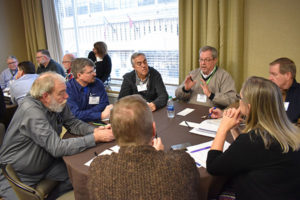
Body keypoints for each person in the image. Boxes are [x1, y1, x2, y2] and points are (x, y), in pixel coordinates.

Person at [0, 72, 114, 200]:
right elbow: (57, 148)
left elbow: (72, 123)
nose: (66, 96)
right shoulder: (31, 111)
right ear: (45, 96)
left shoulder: (57, 101)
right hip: (19, 174)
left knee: (79, 177)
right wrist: (95, 138)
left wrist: (95, 130)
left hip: (46, 164)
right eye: (61, 93)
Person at [87, 94, 201, 200]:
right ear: (154, 130)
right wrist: (159, 156)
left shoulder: (98, 168)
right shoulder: (181, 163)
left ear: (114, 133)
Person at [206, 76, 300, 200]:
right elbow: (251, 154)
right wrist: (234, 128)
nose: (238, 101)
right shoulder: (291, 131)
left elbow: (213, 166)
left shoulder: (254, 140)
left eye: (240, 98)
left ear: (249, 107)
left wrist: (223, 128)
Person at [66, 58, 112, 122]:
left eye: (94, 70)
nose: (95, 74)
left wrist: (84, 113)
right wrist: (99, 115)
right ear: (79, 75)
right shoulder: (68, 88)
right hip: (78, 124)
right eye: (90, 72)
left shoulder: (98, 83)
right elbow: (75, 115)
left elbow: (104, 104)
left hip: (97, 121)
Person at [269, 57, 300, 124]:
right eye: (270, 74)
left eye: (274, 74)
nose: (270, 78)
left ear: (288, 75)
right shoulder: (269, 92)